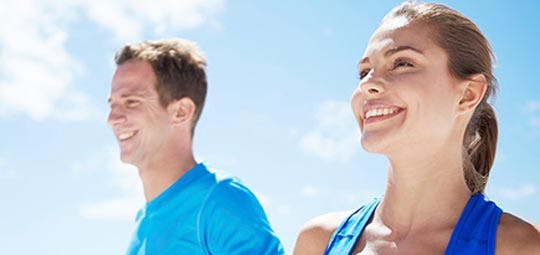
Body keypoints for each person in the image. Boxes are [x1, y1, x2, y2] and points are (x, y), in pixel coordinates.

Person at [293, 2, 540, 255]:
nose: (368, 85)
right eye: (365, 72)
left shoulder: (523, 247)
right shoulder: (318, 241)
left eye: (402, 63)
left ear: (468, 94)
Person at [107, 38, 284, 254]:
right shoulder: (143, 223)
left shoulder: (221, 200)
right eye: (112, 104)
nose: (112, 118)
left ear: (181, 112)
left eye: (131, 102)